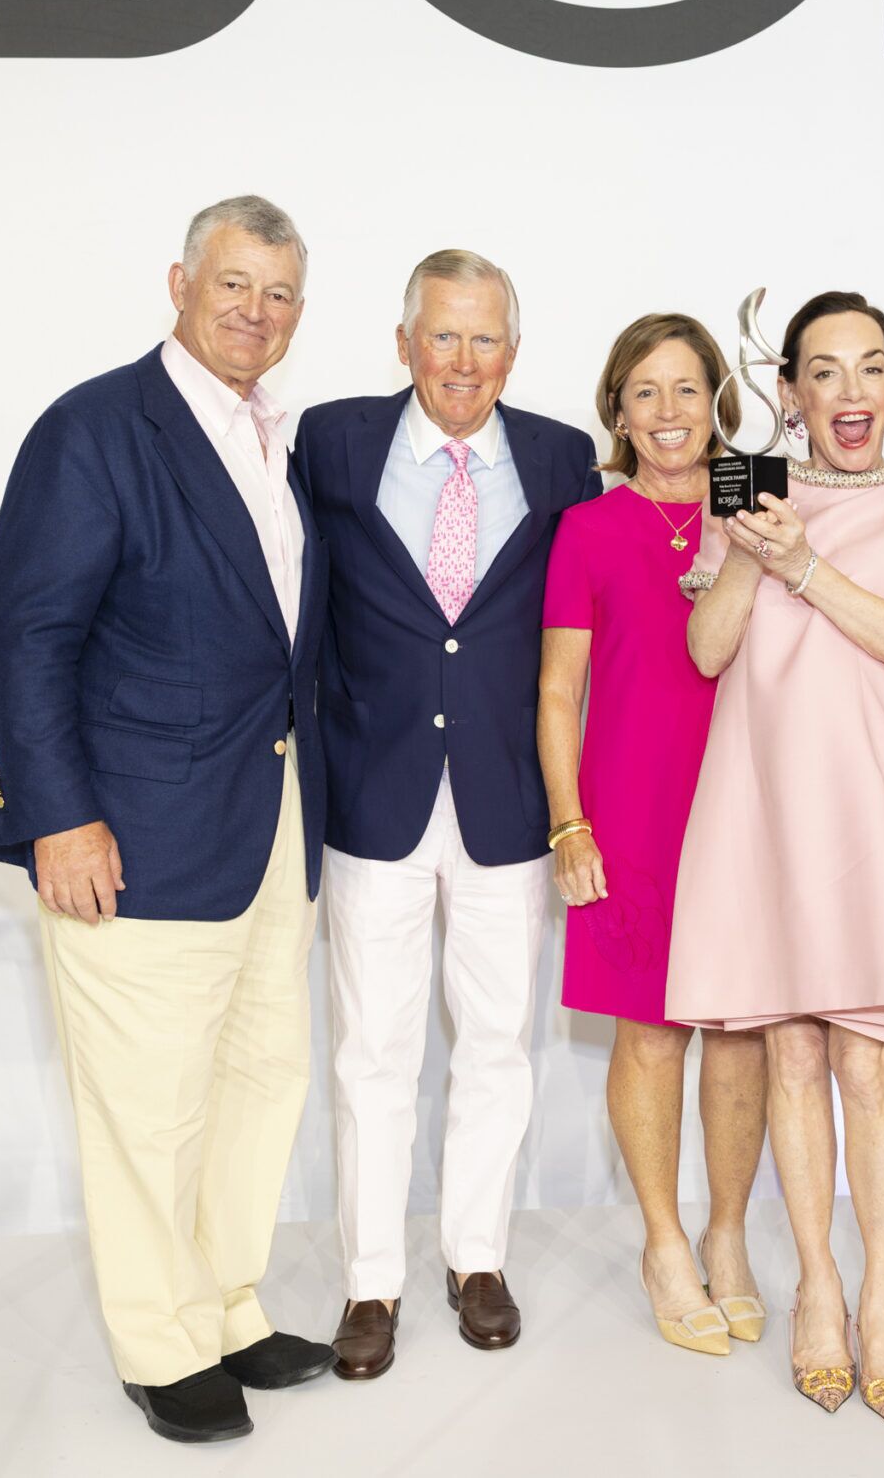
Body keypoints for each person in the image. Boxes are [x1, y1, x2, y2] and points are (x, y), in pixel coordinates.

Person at [0, 195, 334, 1444]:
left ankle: (224, 1306)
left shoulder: (274, 436)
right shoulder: (93, 428)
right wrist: (59, 816)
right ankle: (157, 1342)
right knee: (147, 1100)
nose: (255, 312)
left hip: (270, 820)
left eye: (278, 294)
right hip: (130, 832)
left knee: (257, 1078)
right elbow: (27, 635)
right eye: (234, 284)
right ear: (179, 283)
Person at [291, 249, 602, 1380]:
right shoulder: (331, 441)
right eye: (442, 336)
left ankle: (478, 1260)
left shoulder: (563, 458)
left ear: (511, 353)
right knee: (370, 1051)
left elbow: (590, 609)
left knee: (497, 1045)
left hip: (506, 801)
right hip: (371, 794)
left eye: (484, 340)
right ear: (404, 343)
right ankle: (370, 1281)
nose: (462, 362)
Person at [664, 291, 884, 1427]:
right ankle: (818, 1290)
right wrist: (753, 550)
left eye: (871, 367)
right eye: (825, 371)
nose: (851, 390)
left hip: (873, 810)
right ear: (790, 392)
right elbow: (707, 649)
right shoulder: (747, 485)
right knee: (790, 1057)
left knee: (866, 1062)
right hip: (761, 806)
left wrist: (799, 563)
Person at [537, 314, 770, 1357]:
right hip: (631, 807)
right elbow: (558, 690)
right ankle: (665, 1243)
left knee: (742, 1030)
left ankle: (729, 1235)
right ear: (618, 411)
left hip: (752, 799)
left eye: (687, 389)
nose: (668, 412)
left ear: (720, 399)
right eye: (645, 391)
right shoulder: (589, 527)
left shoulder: (760, 494)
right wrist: (569, 821)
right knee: (650, 1031)